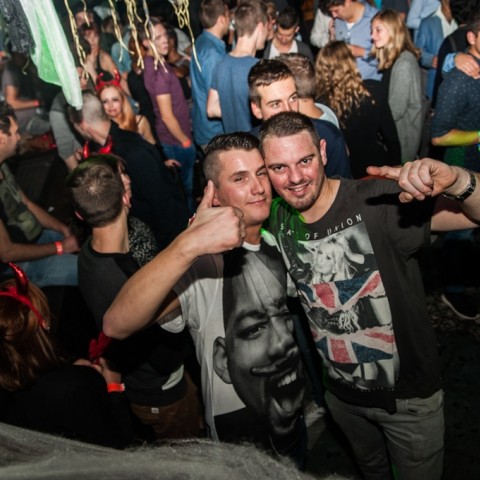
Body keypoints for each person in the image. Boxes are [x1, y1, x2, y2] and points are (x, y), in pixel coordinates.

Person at [259, 110, 480, 480]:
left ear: (323, 152)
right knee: (372, 470)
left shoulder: (376, 201)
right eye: (279, 167)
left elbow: (474, 216)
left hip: (408, 400)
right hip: (341, 396)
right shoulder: (277, 216)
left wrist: (459, 180)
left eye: (305, 160)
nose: (295, 178)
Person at [103, 133, 307, 465]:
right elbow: (116, 324)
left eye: (260, 172)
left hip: (294, 426)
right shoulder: (202, 263)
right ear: (214, 194)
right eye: (240, 178)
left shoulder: (273, 241)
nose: (258, 187)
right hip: (240, 451)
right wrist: (190, 243)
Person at [66, 155, 202, 440]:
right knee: (190, 448)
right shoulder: (128, 280)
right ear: (126, 198)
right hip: (162, 392)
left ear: (80, 215)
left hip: (147, 382)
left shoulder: (88, 254)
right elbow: (164, 345)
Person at [0, 263, 134, 448]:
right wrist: (114, 388)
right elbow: (120, 444)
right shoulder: (77, 386)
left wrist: (71, 364)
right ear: (44, 324)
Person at [69, 91, 189, 252]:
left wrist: (163, 249)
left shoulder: (132, 151)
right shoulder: (98, 148)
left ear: (82, 125)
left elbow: (163, 203)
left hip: (164, 236)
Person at [430, 11, 480, 321]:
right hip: (463, 162)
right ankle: (453, 289)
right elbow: (438, 136)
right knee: (459, 231)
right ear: (471, 37)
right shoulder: (459, 79)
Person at [0, 102, 79, 287]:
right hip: (22, 264)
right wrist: (60, 247)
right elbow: (6, 252)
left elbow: (25, 202)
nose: (19, 138)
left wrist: (62, 229)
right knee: (88, 272)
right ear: (2, 138)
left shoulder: (2, 165)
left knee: (88, 247)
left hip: (37, 237)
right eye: (15, 133)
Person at [248, 58, 351, 179]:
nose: (288, 110)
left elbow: (344, 188)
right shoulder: (249, 149)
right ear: (257, 109)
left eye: (293, 98)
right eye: (276, 104)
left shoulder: (328, 135)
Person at [315, 41, 400, 178]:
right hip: (377, 164)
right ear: (351, 63)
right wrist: (397, 166)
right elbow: (391, 135)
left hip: (347, 171)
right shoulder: (375, 89)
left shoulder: (321, 104)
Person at [139, 17, 196, 213]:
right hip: (176, 140)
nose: (165, 40)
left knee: (179, 189)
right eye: (158, 37)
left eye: (165, 35)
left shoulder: (149, 62)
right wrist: (185, 141)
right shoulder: (161, 73)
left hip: (168, 138)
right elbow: (167, 116)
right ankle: (191, 221)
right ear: (146, 42)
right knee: (186, 190)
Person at [207, 0, 269, 133]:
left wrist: (234, 114)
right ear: (260, 27)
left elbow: (211, 110)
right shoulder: (259, 68)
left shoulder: (221, 64)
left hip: (232, 141)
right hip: (254, 141)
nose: (267, 34)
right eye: (267, 28)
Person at [371, 9, 423, 163]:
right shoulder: (396, 59)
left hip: (402, 142)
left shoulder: (403, 64)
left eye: (378, 30)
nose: (372, 36)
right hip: (397, 138)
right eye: (372, 31)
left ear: (393, 30)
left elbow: (395, 110)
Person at [190, 0, 230, 151]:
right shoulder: (212, 53)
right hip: (214, 133)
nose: (230, 20)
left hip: (206, 128)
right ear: (222, 19)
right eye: (228, 16)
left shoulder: (202, 41)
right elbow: (217, 97)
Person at [324, 0, 381, 81]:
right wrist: (332, 38)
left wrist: (362, 52)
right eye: (331, 12)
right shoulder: (338, 21)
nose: (334, 15)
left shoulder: (377, 18)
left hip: (371, 84)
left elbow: (388, 59)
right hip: (344, 83)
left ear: (348, 2)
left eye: (336, 11)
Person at [96, 73, 156, 145]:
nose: (110, 105)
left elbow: (154, 148)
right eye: (105, 101)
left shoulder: (140, 122)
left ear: (123, 100)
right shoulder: (102, 133)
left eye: (115, 100)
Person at [415, 0, 457, 100]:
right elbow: (418, 51)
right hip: (436, 81)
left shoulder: (462, 21)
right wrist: (430, 59)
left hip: (457, 82)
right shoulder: (428, 22)